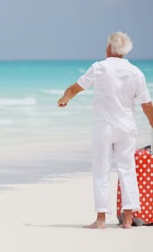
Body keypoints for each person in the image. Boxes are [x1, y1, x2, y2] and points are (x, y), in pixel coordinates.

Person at [57, 31, 153, 229]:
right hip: (127, 128)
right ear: (125, 51)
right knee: (128, 170)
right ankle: (128, 218)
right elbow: (147, 105)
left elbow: (76, 88)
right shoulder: (136, 72)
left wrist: (65, 98)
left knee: (101, 169)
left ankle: (101, 219)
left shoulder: (99, 67)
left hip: (104, 127)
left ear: (108, 48)